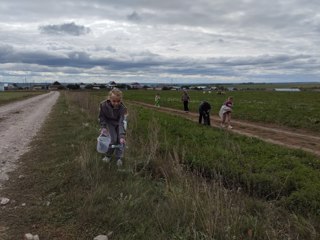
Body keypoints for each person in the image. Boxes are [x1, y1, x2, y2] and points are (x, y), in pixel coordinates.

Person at [99, 88, 127, 167]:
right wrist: (103, 127)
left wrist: (122, 136)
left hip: (119, 123)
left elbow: (121, 122)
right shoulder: (103, 105)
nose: (116, 103)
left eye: (118, 101)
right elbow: (102, 117)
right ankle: (108, 156)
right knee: (113, 139)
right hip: (109, 123)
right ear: (109, 99)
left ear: (120, 100)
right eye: (114, 101)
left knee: (120, 141)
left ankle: (119, 158)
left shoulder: (122, 108)